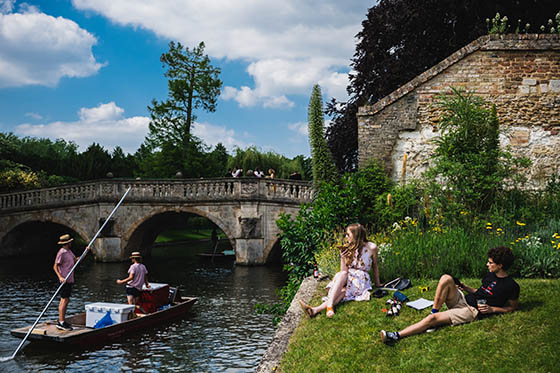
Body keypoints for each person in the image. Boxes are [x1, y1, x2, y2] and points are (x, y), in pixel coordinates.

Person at [381, 246, 520, 344]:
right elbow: (480, 292)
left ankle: (395, 336)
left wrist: (492, 310)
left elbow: (512, 308)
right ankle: (433, 311)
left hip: (471, 311)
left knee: (433, 319)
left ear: (500, 265)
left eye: (490, 263)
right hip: (463, 300)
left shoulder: (511, 286)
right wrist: (465, 287)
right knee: (446, 278)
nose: (487, 264)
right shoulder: (490, 275)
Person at [299, 223, 381, 318]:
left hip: (361, 278)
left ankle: (318, 309)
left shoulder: (372, 247)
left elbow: (375, 266)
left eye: (348, 234)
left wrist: (377, 284)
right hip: (347, 275)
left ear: (356, 235)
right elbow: (344, 270)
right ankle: (317, 310)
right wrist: (342, 258)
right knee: (342, 276)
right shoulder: (348, 247)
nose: (346, 237)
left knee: (343, 292)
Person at [53, 234, 90, 331]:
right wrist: (60, 277)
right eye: (70, 242)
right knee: (64, 301)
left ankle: (62, 320)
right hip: (64, 280)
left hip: (69, 279)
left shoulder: (69, 252)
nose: (71, 243)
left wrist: (85, 252)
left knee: (66, 300)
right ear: (67, 243)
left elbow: (76, 261)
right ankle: (61, 322)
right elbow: (55, 266)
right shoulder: (62, 252)